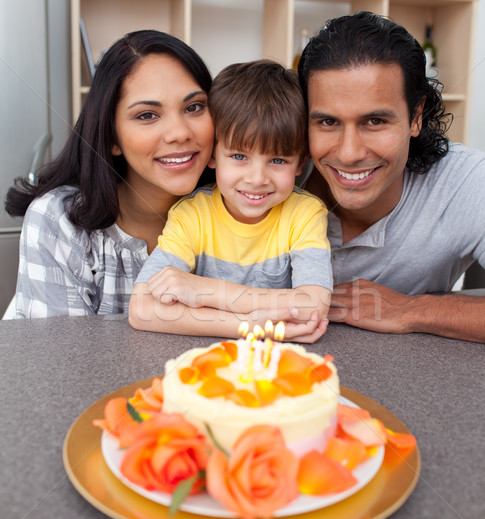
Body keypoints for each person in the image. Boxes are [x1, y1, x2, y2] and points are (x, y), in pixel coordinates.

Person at [297, 11, 485, 343]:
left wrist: (410, 310)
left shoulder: (464, 181)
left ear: (416, 117)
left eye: (374, 121)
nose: (349, 153)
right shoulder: (268, 173)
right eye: (327, 122)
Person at [4, 30, 214, 318]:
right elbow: (63, 359)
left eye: (194, 107)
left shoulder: (243, 212)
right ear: (111, 136)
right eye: (147, 115)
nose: (179, 133)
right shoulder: (59, 221)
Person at [129, 60, 332, 342]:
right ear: (213, 154)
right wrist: (250, 326)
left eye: (277, 160)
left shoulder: (305, 214)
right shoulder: (192, 215)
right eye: (239, 156)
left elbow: (313, 306)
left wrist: (200, 290)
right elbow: (142, 308)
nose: (257, 178)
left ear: (300, 163)